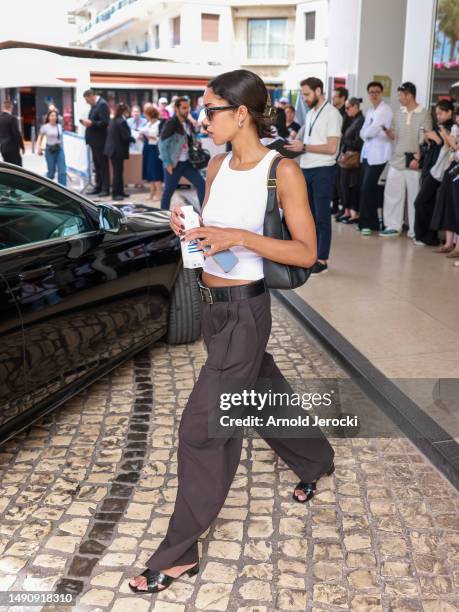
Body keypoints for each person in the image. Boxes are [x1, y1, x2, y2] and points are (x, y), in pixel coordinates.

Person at [128, 68, 334, 596]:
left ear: (241, 113)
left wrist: (240, 236)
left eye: (210, 110)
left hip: (246, 312)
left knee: (202, 428)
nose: (203, 119)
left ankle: (177, 557)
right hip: (212, 308)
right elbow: (212, 239)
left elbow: (306, 253)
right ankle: (317, 460)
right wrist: (191, 231)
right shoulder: (217, 165)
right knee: (263, 392)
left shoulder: (280, 171)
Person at [284, 77, 343, 275]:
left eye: (307, 94)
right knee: (306, 216)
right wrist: (296, 146)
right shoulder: (311, 113)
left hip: (323, 170)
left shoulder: (332, 114)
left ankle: (322, 259)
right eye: (303, 94)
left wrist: (305, 146)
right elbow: (306, 142)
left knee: (321, 217)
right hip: (307, 168)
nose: (304, 97)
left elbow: (332, 147)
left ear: (319, 91)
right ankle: (308, 255)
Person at [379, 82, 432, 238]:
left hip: (414, 161)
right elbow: (395, 135)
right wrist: (389, 133)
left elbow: (426, 138)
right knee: (392, 194)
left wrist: (418, 157)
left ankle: (415, 230)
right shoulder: (398, 112)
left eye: (401, 95)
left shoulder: (424, 114)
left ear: (409, 95)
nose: (399, 98)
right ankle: (393, 226)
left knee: (415, 197)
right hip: (397, 159)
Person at [413, 100, 455, 246]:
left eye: (441, 113)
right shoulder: (440, 126)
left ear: (450, 112)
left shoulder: (452, 128)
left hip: (442, 171)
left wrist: (436, 138)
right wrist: (429, 139)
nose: (438, 116)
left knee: (422, 202)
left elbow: (450, 146)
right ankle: (425, 236)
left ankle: (426, 236)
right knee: (427, 203)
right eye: (437, 113)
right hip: (433, 168)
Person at [358, 81, 394, 236]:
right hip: (367, 154)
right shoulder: (370, 111)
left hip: (379, 156)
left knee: (367, 188)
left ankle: (366, 223)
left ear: (381, 93)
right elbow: (363, 132)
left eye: (377, 92)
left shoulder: (385, 110)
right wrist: (368, 131)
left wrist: (368, 131)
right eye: (371, 92)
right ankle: (372, 223)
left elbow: (370, 132)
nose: (374, 94)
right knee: (368, 189)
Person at [158, 96, 206, 210]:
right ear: (176, 109)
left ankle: (204, 214)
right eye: (184, 108)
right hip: (174, 164)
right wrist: (168, 163)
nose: (187, 110)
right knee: (168, 192)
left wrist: (196, 141)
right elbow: (162, 145)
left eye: (188, 107)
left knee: (201, 184)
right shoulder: (171, 123)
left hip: (187, 163)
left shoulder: (188, 123)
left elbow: (189, 139)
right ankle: (162, 216)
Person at [430, 111, 459, 256]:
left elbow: (456, 147)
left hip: (457, 169)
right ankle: (448, 243)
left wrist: (447, 136)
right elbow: (450, 146)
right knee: (448, 205)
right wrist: (446, 135)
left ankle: (457, 246)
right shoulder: (455, 128)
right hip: (451, 167)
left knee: (457, 207)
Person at [337, 97, 364, 225]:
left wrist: (343, 140)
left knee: (351, 186)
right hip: (348, 157)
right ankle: (347, 211)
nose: (346, 110)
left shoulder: (360, 121)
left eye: (348, 107)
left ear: (355, 106)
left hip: (353, 159)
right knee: (344, 185)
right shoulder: (353, 120)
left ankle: (354, 213)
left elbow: (358, 142)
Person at [81, 89, 110, 196]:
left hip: (100, 141)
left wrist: (91, 123)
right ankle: (98, 186)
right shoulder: (95, 105)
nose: (87, 102)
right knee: (97, 165)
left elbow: (105, 122)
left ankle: (105, 188)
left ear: (91, 96)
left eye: (87, 100)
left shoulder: (102, 105)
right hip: (94, 140)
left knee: (102, 165)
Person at [104, 102, 134, 201]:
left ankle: (120, 192)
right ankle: (115, 194)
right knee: (117, 173)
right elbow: (125, 137)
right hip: (117, 151)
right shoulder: (121, 121)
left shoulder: (114, 120)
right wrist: (133, 138)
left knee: (119, 172)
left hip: (112, 150)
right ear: (125, 111)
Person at [331, 87, 351, 216]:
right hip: (333, 151)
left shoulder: (346, 114)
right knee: (335, 181)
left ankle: (343, 208)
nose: (333, 99)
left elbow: (344, 134)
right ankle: (335, 206)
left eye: (335, 97)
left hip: (342, 152)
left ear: (343, 98)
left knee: (340, 183)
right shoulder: (334, 112)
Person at [37, 109, 67, 186]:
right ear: (48, 117)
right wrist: (39, 148)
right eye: (52, 115)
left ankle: (63, 190)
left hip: (59, 149)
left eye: (55, 116)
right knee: (51, 173)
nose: (54, 117)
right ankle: (46, 186)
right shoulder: (45, 127)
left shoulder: (59, 126)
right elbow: (40, 137)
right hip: (49, 150)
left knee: (62, 171)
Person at [140, 105, 164, 200]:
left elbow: (161, 137)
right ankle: (151, 193)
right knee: (149, 171)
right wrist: (142, 136)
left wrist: (153, 137)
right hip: (147, 147)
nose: (145, 116)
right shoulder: (147, 123)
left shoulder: (159, 123)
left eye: (146, 114)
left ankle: (159, 193)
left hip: (155, 148)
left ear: (150, 114)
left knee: (155, 171)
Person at [0, 100, 24, 166]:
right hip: (12, 148)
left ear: (2, 107)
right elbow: (16, 134)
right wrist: (22, 146)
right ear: (11, 107)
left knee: (8, 167)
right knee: (18, 167)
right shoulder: (12, 118)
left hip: (3, 148)